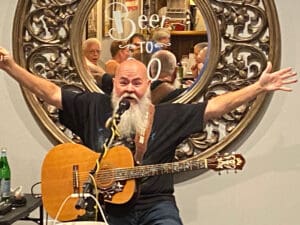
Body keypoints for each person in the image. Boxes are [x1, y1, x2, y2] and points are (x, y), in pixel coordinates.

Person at [0, 46, 297, 225]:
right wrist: (10, 66)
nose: (130, 88)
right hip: (103, 207)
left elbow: (215, 107)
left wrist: (258, 88)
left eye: (137, 83)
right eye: (124, 82)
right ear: (113, 83)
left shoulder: (167, 115)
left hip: (157, 205)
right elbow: (49, 92)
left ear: (148, 85)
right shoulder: (93, 106)